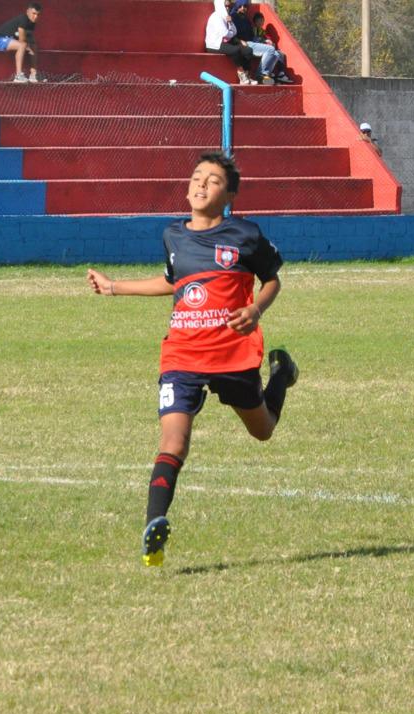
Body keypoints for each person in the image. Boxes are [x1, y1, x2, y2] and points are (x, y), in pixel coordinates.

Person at [85, 152, 299, 568]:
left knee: (263, 430)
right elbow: (173, 281)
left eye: (213, 180)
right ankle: (154, 528)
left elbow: (272, 280)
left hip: (232, 351)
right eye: (197, 177)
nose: (201, 184)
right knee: (173, 442)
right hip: (182, 352)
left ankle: (281, 374)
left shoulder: (245, 235)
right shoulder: (173, 235)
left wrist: (255, 309)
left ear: (230, 195)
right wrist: (114, 287)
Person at [205, 0, 256, 86]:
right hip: (214, 45)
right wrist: (231, 31)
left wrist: (230, 23)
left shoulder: (226, 16)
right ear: (220, 5)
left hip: (226, 42)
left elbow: (234, 32)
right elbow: (225, 33)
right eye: (226, 6)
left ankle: (247, 75)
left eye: (229, 6)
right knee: (235, 50)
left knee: (248, 50)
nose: (228, 8)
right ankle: (241, 74)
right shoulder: (216, 17)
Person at [0, 3, 41, 83]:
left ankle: (33, 75)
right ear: (27, 12)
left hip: (11, 40)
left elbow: (31, 39)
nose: (35, 17)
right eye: (34, 13)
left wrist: (32, 47)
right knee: (23, 45)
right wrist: (28, 47)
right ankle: (18, 76)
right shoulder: (23, 19)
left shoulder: (32, 23)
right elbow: (22, 40)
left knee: (33, 46)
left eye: (38, 14)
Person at [244, 9, 291, 84]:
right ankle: (260, 75)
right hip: (253, 47)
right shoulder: (253, 29)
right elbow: (254, 40)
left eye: (262, 21)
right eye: (259, 21)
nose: (261, 22)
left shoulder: (262, 31)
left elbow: (267, 38)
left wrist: (269, 42)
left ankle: (273, 75)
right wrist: (264, 41)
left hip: (264, 49)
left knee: (278, 54)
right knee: (271, 50)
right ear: (255, 22)